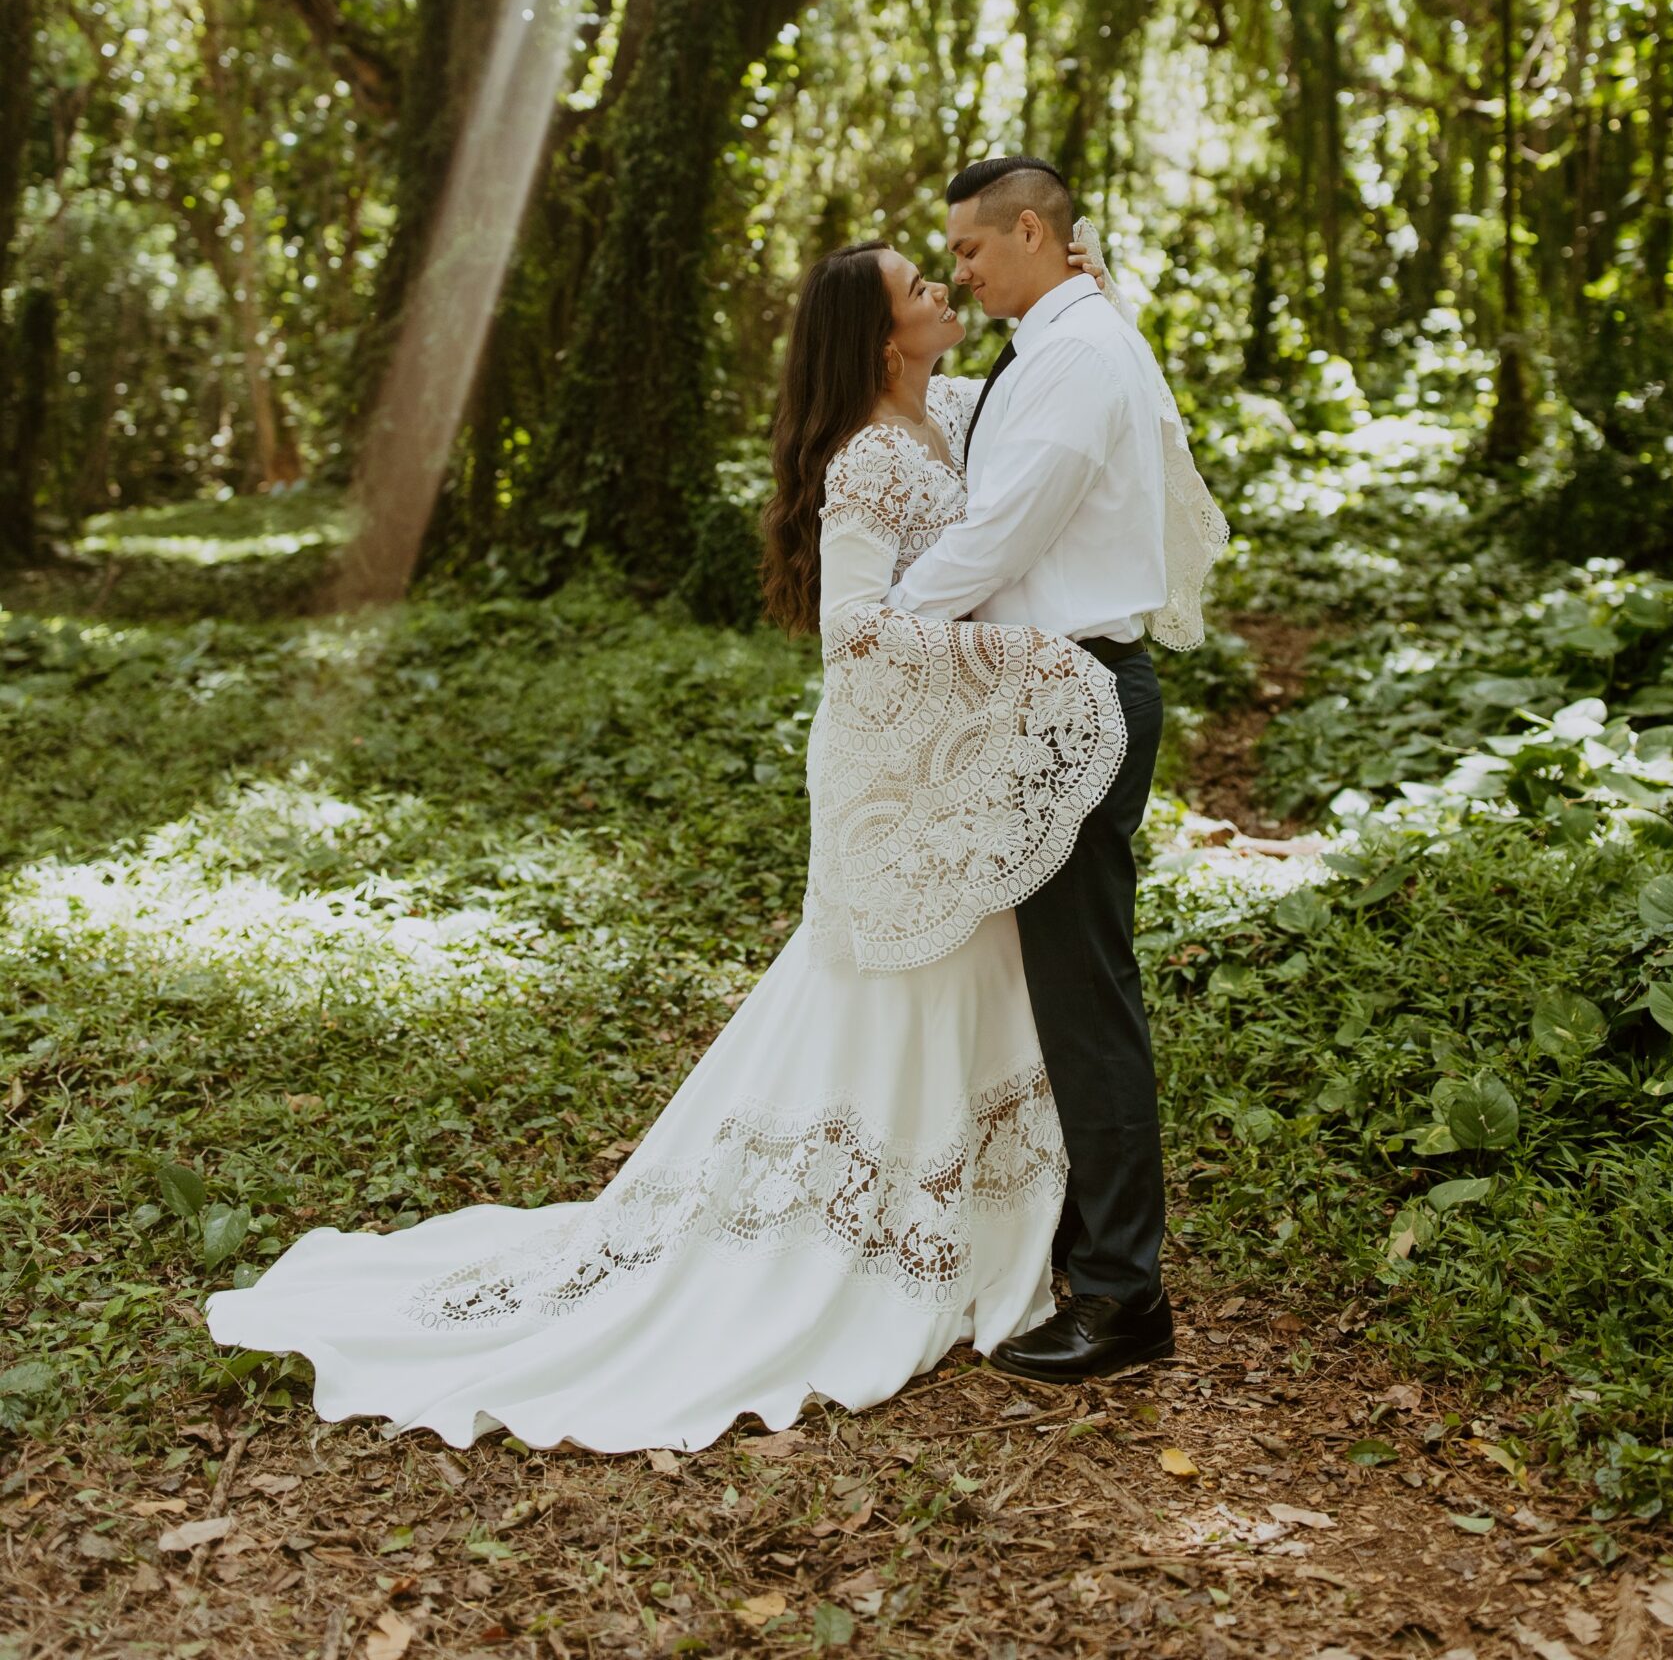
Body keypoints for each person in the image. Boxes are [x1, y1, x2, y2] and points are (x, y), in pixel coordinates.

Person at [206, 196, 1222, 1452]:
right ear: (879, 334)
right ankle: (928, 1247)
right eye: (925, 276)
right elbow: (863, 627)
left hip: (979, 755)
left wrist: (1081, 285)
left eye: (958, 256)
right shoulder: (870, 458)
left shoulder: (966, 407)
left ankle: (1020, 1239)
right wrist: (1025, 662)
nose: (947, 282)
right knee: (913, 996)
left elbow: (1041, 442)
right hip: (919, 763)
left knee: (1013, 990)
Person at [888, 156, 1227, 1381]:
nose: (961, 273)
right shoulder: (1063, 335)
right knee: (1056, 991)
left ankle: (1128, 1298)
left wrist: (887, 628)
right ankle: (1076, 1243)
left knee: (1086, 1000)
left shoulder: (1080, 354)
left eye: (971, 251)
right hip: (1045, 688)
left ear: (1031, 231)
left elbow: (1005, 524)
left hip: (1078, 693)